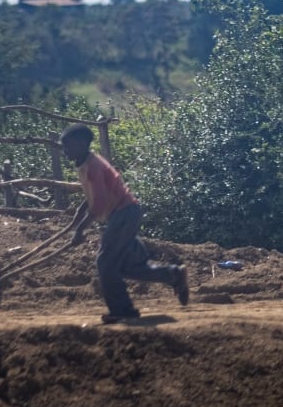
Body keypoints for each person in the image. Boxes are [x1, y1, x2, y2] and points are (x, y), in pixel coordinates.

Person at [60, 123, 188, 324]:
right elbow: (91, 197)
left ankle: (123, 311)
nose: (65, 150)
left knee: (105, 263)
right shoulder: (85, 164)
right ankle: (173, 275)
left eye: (67, 145)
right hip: (125, 214)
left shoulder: (93, 166)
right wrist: (77, 221)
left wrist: (80, 230)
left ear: (82, 143)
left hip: (123, 214)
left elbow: (100, 203)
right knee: (127, 266)